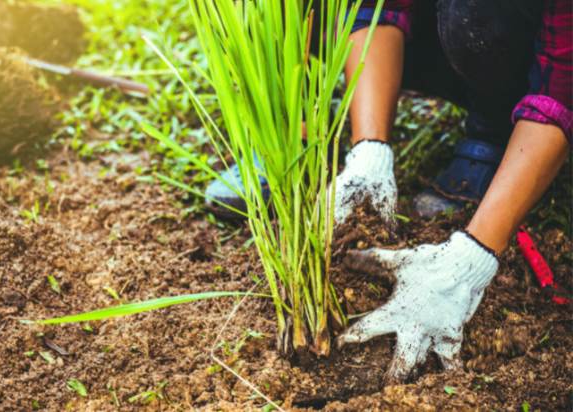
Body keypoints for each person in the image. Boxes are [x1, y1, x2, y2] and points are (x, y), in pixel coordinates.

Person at [204, 0, 571, 381]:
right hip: (438, 34)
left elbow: (562, 84)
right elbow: (378, 6)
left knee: (476, 11)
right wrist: (370, 150)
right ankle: (292, 128)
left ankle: (494, 131)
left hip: (515, 42)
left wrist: (472, 259)